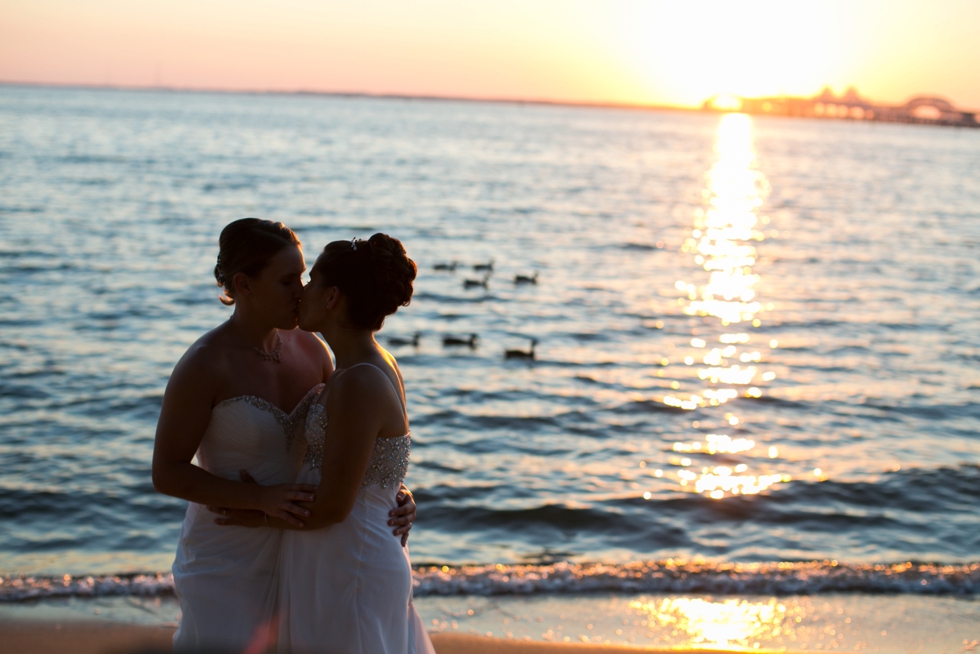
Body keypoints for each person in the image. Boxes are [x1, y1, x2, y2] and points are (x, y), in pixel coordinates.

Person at [152, 219, 417, 652]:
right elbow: (166, 473)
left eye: (303, 278)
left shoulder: (313, 350)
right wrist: (259, 501)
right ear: (244, 284)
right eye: (287, 280)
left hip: (311, 547)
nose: (299, 290)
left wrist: (393, 491)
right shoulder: (204, 363)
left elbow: (355, 439)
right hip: (231, 547)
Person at [221, 234, 434, 653]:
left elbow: (335, 507)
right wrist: (393, 493)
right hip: (340, 554)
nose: (301, 291)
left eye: (312, 280)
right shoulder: (362, 365)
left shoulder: (360, 380)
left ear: (333, 296)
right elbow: (373, 465)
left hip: (351, 562)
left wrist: (256, 515)